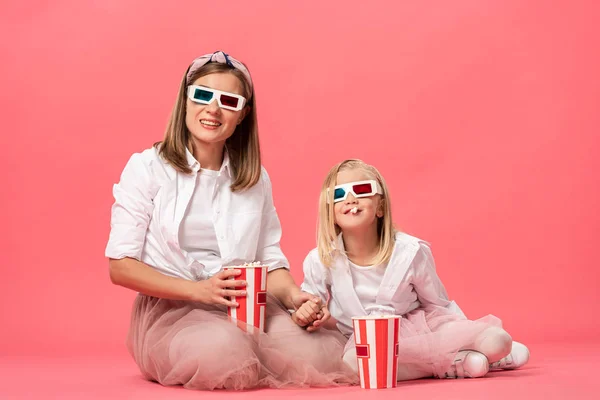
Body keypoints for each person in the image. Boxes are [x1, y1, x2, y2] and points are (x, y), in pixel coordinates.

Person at [105, 51, 356, 390]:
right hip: (173, 310)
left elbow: (269, 262)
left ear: (242, 115)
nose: (213, 109)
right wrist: (199, 291)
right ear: (185, 101)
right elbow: (120, 267)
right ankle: (224, 351)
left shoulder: (255, 178)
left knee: (320, 354)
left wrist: (296, 296)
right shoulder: (146, 168)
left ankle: (253, 345)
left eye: (228, 100)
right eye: (203, 95)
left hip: (249, 305)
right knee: (224, 354)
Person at [294, 159, 530, 380]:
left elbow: (437, 303)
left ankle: (464, 353)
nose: (351, 198)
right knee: (355, 364)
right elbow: (310, 303)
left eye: (363, 190)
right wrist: (309, 312)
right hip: (364, 343)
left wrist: (461, 335)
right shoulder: (321, 259)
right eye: (339, 194)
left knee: (499, 340)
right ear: (331, 212)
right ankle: (452, 365)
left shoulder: (409, 252)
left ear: (381, 208)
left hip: (419, 332)